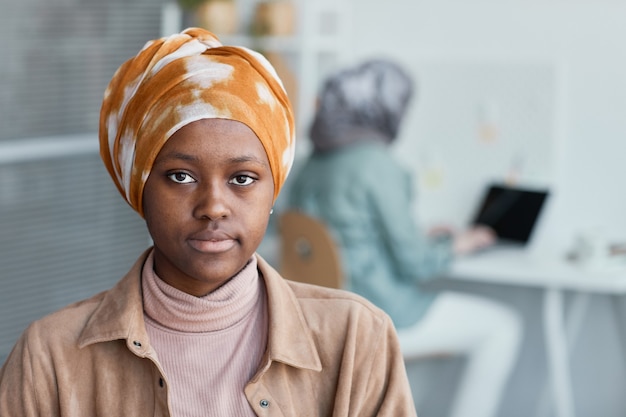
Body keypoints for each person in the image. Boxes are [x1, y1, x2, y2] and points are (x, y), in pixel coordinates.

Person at [0, 29, 417, 416]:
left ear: (273, 190)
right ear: (139, 189)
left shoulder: (358, 340)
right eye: (181, 177)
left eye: (242, 179)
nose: (214, 207)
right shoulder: (49, 356)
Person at [286, 59, 523, 417]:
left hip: (322, 319)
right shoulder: (378, 164)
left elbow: (337, 238)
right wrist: (455, 244)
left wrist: (416, 236)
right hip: (380, 313)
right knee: (502, 328)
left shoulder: (308, 165)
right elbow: (415, 262)